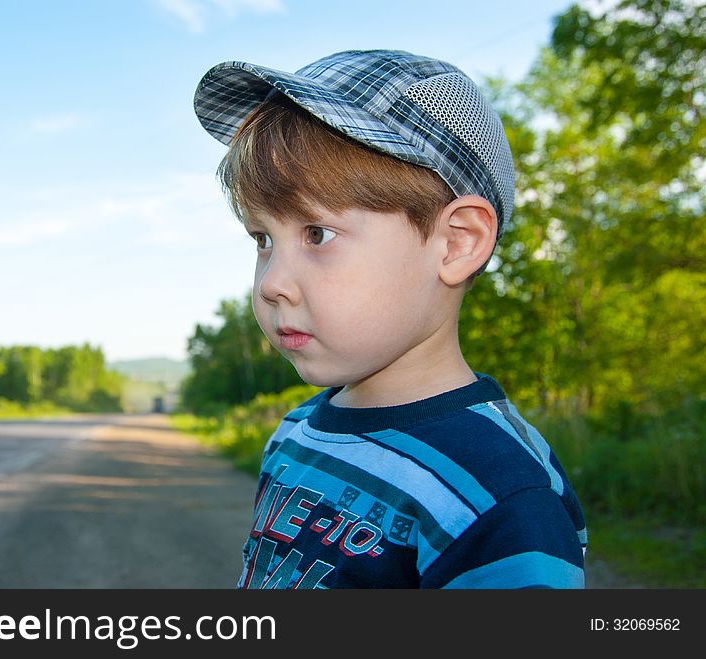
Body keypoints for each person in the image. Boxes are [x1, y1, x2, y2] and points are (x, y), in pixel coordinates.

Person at [193, 49, 587, 588]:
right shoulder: (298, 433)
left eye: (317, 234)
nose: (270, 283)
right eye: (263, 240)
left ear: (456, 243)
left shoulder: (500, 494)